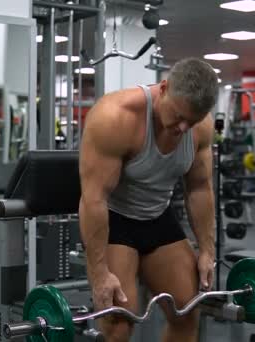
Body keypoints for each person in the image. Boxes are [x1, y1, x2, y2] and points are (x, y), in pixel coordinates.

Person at [79, 58, 218, 342]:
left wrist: (207, 250)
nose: (181, 127)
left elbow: (200, 188)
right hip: (115, 220)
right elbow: (94, 199)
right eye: (178, 115)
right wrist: (99, 272)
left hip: (158, 217)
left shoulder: (201, 127)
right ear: (163, 88)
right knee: (119, 325)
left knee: (188, 311)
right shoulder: (115, 117)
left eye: (190, 121)